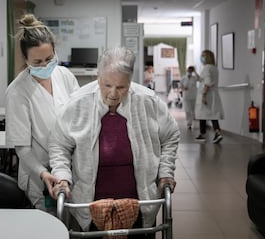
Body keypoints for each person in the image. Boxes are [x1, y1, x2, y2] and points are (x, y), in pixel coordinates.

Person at [49, 47, 180, 236]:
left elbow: (171, 135)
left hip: (141, 203)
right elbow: (59, 144)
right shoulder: (78, 103)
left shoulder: (147, 101)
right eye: (107, 85)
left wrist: (166, 172)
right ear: (98, 76)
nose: (113, 94)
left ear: (130, 81)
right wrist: (62, 176)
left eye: (121, 87)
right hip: (90, 204)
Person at [5, 14, 80, 212]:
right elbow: (22, 148)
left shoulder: (64, 75)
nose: (45, 66)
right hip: (39, 175)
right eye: (37, 62)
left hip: (71, 167)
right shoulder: (17, 91)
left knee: (73, 224)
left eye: (49, 58)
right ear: (26, 59)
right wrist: (43, 173)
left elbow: (80, 117)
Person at [194, 49, 224, 143]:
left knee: (202, 114)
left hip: (208, 94)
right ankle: (216, 132)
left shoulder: (207, 68)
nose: (201, 58)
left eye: (203, 56)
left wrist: (204, 95)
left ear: (207, 57)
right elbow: (205, 79)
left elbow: (207, 82)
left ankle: (203, 134)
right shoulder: (214, 68)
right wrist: (196, 74)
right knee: (212, 114)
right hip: (213, 94)